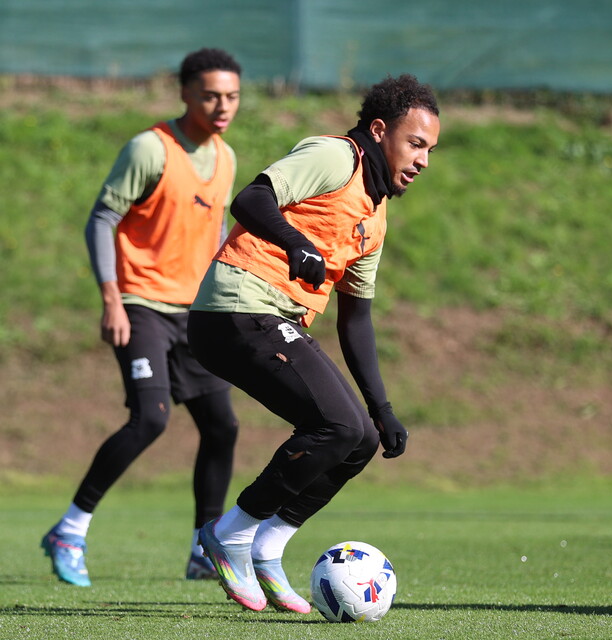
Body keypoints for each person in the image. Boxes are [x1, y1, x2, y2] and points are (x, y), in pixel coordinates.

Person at [186, 74, 440, 614]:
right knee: (337, 426)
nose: (423, 160)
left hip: (271, 318)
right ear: (380, 130)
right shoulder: (335, 156)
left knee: (361, 438)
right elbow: (251, 198)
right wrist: (295, 243)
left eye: (430, 150)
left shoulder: (375, 215)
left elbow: (357, 322)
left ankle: (268, 547)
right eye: (415, 143)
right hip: (235, 306)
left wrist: (384, 409)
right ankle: (228, 534)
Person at [41, 48, 242, 587]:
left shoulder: (226, 158)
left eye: (231, 96)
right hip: (140, 305)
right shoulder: (149, 149)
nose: (222, 106)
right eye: (210, 95)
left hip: (193, 312)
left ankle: (206, 548)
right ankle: (70, 529)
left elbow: (215, 232)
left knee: (221, 426)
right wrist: (111, 299)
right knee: (151, 418)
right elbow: (102, 219)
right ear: (185, 93)